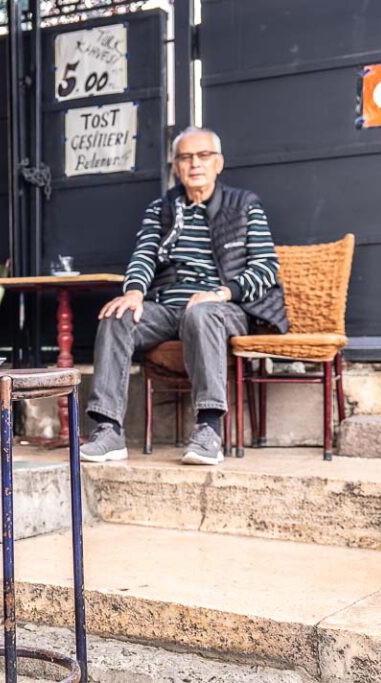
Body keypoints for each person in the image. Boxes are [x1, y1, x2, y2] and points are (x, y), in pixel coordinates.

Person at [82, 126, 287, 466]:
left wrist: (222, 293)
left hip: (224, 308)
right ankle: (109, 430)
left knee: (201, 313)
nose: (195, 164)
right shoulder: (161, 209)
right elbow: (144, 254)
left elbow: (266, 268)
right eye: (186, 157)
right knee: (117, 315)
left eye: (204, 156)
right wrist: (134, 292)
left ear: (218, 163)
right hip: (166, 307)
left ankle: (208, 429)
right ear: (176, 166)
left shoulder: (244, 205)